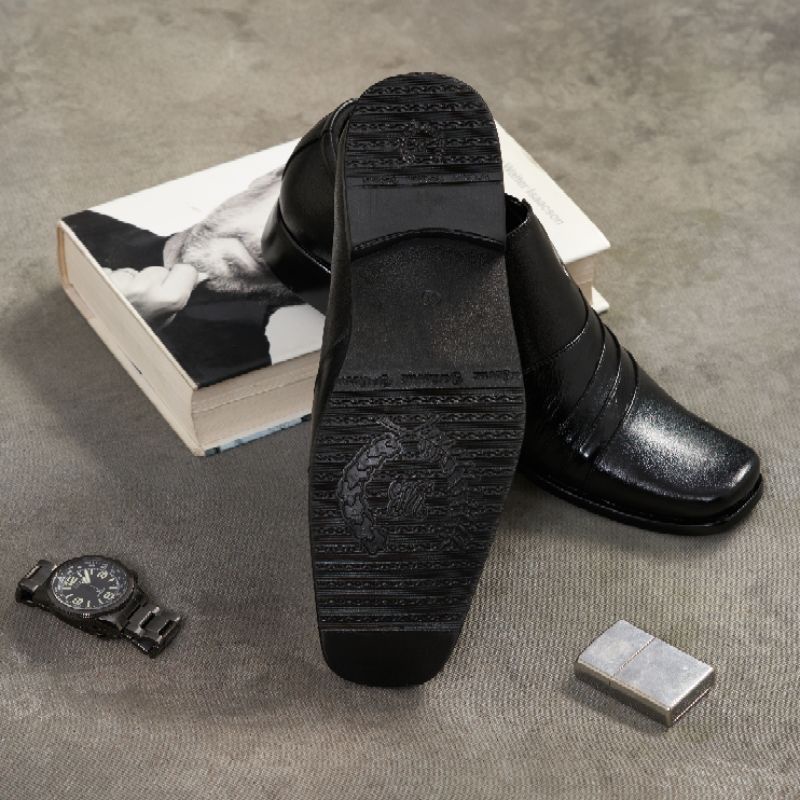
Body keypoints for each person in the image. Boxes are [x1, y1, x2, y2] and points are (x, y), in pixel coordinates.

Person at [63, 169, 303, 386]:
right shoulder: (88, 230)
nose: (280, 247)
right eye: (298, 210)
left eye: (321, 248)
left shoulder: (235, 372)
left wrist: (128, 326)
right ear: (270, 178)